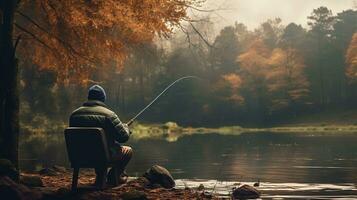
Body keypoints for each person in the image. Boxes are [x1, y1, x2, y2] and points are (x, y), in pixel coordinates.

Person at [69, 84, 132, 185]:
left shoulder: (74, 115)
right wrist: (126, 128)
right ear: (103, 99)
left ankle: (100, 177)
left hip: (79, 156)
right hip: (103, 156)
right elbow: (123, 137)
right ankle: (113, 177)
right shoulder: (109, 115)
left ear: (89, 97)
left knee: (96, 147)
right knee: (127, 151)